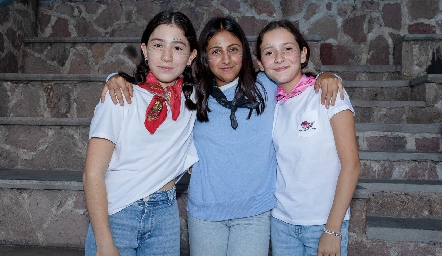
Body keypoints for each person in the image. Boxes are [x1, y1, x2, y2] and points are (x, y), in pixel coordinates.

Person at [101, 17, 343, 256]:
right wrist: (117, 78)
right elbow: (154, 86)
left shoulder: (266, 86)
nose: (226, 59)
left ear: (245, 55)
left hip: (254, 213)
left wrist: (327, 76)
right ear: (204, 58)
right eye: (216, 51)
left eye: (233, 50)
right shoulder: (192, 94)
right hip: (206, 214)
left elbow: (295, 78)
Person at [83, 11, 198, 256]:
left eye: (178, 48)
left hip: (165, 216)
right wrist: (104, 243)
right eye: (158, 46)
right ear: (145, 50)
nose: (166, 57)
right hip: (117, 214)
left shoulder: (193, 100)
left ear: (191, 57)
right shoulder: (119, 97)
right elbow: (92, 174)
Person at [255, 20, 360, 256]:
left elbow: (351, 165)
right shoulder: (273, 104)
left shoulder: (328, 93)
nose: (279, 58)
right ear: (261, 64)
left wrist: (332, 230)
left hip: (324, 224)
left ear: (303, 54)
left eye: (288, 49)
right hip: (282, 224)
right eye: (270, 52)